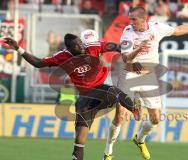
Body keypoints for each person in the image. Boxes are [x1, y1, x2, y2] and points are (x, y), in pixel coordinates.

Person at [2, 30, 144, 160]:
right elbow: (38, 63)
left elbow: (115, 47)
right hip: (84, 99)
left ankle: (134, 109)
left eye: (81, 44)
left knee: (114, 92)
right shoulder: (62, 56)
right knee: (79, 142)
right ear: (69, 49)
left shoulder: (92, 46)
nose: (82, 47)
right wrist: (17, 48)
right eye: (77, 46)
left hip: (100, 89)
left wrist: (130, 55)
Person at [103, 6, 188, 160]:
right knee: (120, 114)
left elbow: (179, 30)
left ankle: (139, 140)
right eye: (130, 18)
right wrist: (138, 50)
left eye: (134, 19)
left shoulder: (157, 28)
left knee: (155, 118)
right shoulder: (128, 33)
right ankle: (108, 152)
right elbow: (126, 59)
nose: (131, 22)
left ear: (144, 18)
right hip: (129, 74)